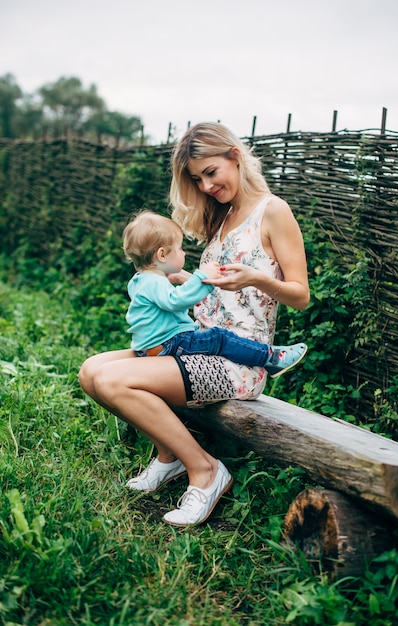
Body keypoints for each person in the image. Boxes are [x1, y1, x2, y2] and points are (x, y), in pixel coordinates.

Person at [78, 122, 310, 527]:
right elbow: (217, 290)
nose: (205, 186)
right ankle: (168, 457)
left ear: (235, 157)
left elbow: (300, 295)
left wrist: (255, 278)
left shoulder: (273, 211)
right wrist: (189, 283)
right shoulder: (222, 218)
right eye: (197, 178)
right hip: (192, 342)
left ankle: (205, 470)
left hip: (235, 361)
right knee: (91, 371)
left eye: (211, 172)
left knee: (115, 381)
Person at [122, 209, 307, 378]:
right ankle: (272, 358)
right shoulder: (154, 282)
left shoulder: (139, 281)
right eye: (179, 248)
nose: (184, 252)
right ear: (162, 255)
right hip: (171, 345)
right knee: (219, 338)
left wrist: (184, 278)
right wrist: (202, 275)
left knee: (212, 338)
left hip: (154, 347)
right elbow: (175, 301)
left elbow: (166, 305)